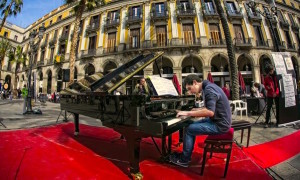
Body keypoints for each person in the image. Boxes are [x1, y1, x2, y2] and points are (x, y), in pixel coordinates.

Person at [169, 74, 231, 167]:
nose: (190, 92)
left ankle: (184, 160)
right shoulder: (209, 87)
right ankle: (185, 153)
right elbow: (211, 108)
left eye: (189, 88)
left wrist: (186, 113)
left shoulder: (209, 90)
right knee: (188, 124)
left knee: (190, 129)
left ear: (195, 82)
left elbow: (210, 112)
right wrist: (196, 110)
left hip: (220, 125)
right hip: (217, 121)